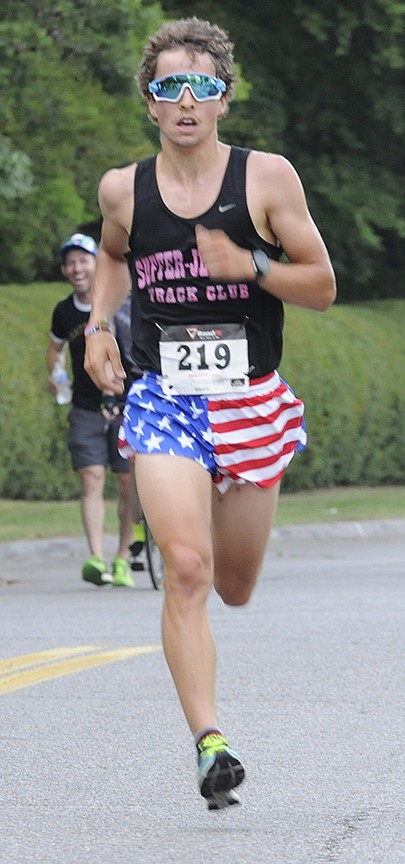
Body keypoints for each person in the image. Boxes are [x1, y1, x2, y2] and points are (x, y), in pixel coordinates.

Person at [83, 17, 336, 809]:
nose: (186, 100)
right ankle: (209, 742)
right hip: (166, 400)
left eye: (201, 86)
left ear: (224, 98)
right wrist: (97, 325)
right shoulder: (123, 189)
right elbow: (114, 252)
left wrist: (251, 264)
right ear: (150, 105)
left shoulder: (267, 180)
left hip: (252, 400)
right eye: (169, 87)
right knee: (184, 569)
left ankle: (211, 713)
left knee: (232, 585)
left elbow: (322, 284)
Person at [47, 232, 140, 588]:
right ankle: (96, 557)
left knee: (127, 481)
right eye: (70, 262)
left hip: (127, 402)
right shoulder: (64, 311)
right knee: (91, 477)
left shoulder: (124, 303)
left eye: (83, 260)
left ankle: (122, 558)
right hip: (86, 405)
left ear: (97, 264)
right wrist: (56, 377)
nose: (77, 268)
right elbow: (54, 349)